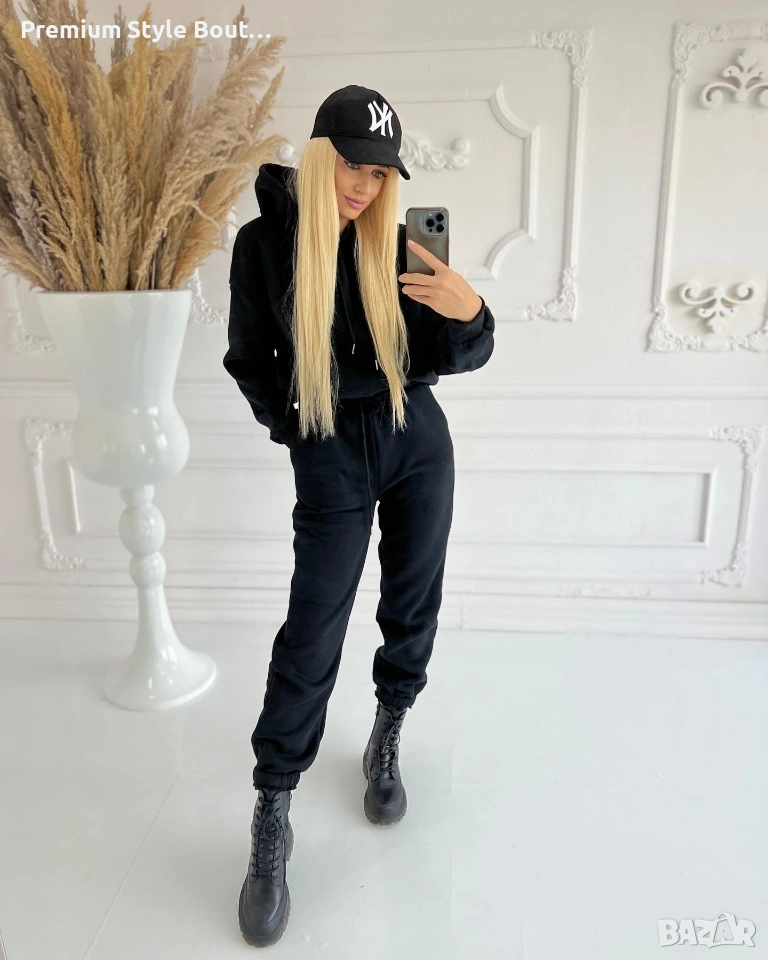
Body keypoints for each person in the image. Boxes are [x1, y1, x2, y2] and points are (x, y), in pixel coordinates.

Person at [224, 84, 495, 947]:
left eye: (379, 174)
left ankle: (388, 730)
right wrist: (303, 432)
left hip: (418, 438)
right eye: (350, 164)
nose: (363, 185)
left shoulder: (399, 244)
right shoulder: (264, 245)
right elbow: (248, 360)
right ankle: (273, 809)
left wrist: (470, 313)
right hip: (332, 450)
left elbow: (458, 355)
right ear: (318, 155)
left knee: (413, 601)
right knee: (313, 628)